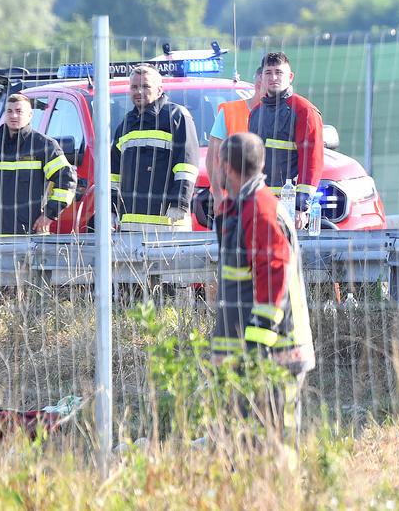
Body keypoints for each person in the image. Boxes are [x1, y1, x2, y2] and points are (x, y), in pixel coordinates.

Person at [209, 131, 315, 446]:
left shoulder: (260, 209)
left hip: (272, 354)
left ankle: (281, 494)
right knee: (246, 442)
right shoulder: (245, 206)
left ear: (224, 166)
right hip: (256, 354)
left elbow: (274, 274)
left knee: (274, 443)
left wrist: (256, 345)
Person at [0, 91, 75, 236]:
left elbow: (67, 180)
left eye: (19, 111)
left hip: (30, 234)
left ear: (30, 115)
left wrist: (49, 215)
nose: (13, 115)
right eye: (9, 111)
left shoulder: (44, 146)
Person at [110, 65, 200, 230]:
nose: (139, 92)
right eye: (134, 87)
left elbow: (187, 165)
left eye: (145, 86)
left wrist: (179, 203)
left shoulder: (176, 117)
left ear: (159, 89)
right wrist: (111, 208)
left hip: (168, 225)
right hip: (131, 227)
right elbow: (113, 173)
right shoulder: (126, 124)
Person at [248, 52, 326, 232]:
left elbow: (312, 161)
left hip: (289, 207)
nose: (273, 77)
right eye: (268, 72)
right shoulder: (256, 113)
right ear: (261, 77)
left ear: (290, 77)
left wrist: (301, 207)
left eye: (279, 72)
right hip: (259, 204)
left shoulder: (304, 110)